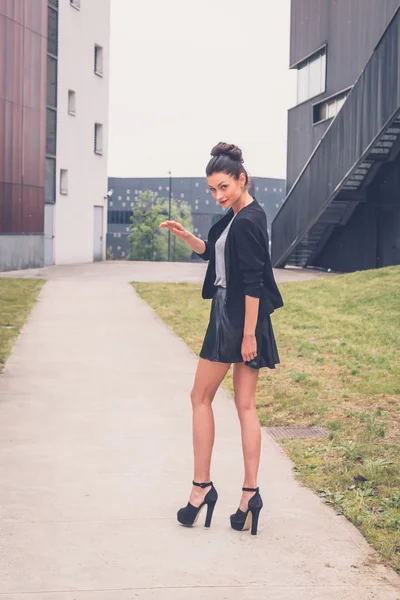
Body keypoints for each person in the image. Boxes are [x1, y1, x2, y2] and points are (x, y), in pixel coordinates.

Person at [160, 142, 283, 535]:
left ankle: (201, 488)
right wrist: (187, 237)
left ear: (241, 179)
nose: (218, 195)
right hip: (245, 317)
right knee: (245, 404)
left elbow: (251, 280)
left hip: (236, 317)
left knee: (200, 398)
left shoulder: (246, 220)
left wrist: (247, 334)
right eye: (213, 189)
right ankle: (250, 496)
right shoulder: (241, 215)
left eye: (224, 187)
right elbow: (216, 257)